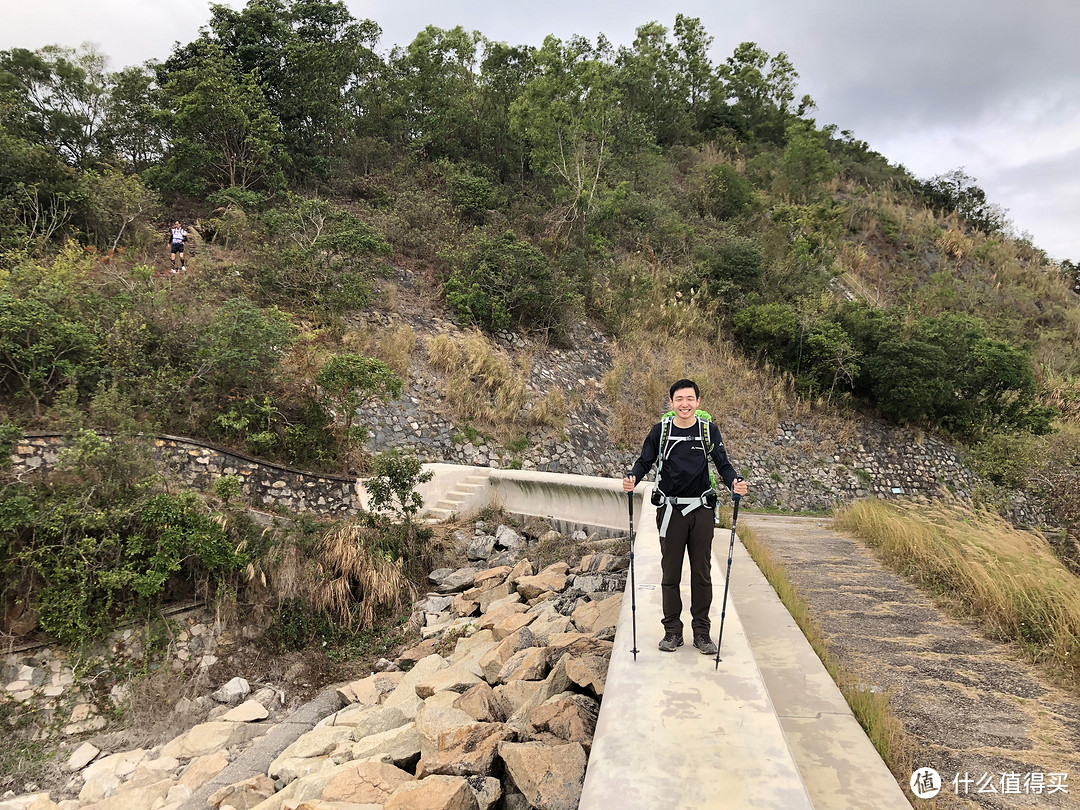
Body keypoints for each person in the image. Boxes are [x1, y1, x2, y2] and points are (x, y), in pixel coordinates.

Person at [622, 379, 749, 655]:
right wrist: (633, 476)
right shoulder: (661, 431)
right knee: (670, 573)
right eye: (679, 399)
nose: (685, 404)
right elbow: (645, 461)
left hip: (701, 510)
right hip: (670, 511)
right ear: (671, 403)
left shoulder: (708, 431)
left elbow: (723, 464)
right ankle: (672, 632)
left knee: (701, 574)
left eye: (690, 399)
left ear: (698, 402)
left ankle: (702, 634)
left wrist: (735, 482)